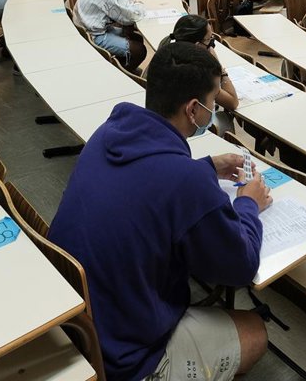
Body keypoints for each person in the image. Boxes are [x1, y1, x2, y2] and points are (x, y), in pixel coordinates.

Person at [49, 41, 270, 381]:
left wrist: (206, 167)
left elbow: (149, 178)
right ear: (193, 109)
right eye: (213, 101)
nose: (214, 109)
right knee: (255, 331)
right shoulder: (185, 181)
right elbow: (241, 266)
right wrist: (248, 203)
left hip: (76, 317)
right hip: (123, 357)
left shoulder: (108, 132)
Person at [161, 15, 239, 114]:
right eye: (209, 39)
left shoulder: (168, 55)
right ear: (197, 46)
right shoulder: (198, 75)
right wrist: (218, 67)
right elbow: (233, 102)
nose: (211, 43)